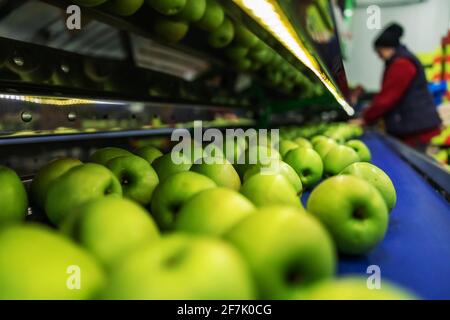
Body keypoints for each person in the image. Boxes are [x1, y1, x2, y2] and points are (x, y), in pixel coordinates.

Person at [352, 23, 442, 149]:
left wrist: (366, 118)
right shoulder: (400, 61)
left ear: (387, 48)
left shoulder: (402, 64)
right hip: (415, 127)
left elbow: (387, 98)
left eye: (379, 52)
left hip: (416, 130)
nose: (379, 56)